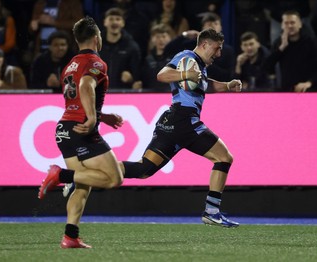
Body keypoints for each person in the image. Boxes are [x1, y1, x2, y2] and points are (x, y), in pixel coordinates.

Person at [122, 28, 242, 227]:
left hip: (172, 123)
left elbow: (205, 84)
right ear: (204, 44)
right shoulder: (186, 57)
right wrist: (186, 74)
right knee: (224, 158)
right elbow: (162, 75)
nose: (219, 54)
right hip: (184, 120)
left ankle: (78, 175)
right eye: (217, 48)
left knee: (144, 170)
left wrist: (227, 85)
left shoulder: (199, 67)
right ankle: (212, 211)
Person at [38, 16, 124, 248]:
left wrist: (103, 116)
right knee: (115, 178)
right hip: (81, 129)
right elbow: (86, 85)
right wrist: (94, 117)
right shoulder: (96, 61)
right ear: (97, 37)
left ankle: (70, 235)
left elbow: (74, 98)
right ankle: (60, 175)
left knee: (83, 185)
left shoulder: (70, 64)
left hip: (65, 129)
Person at [263, 10, 317, 92]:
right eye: (286, 23)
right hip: (288, 89)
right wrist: (281, 48)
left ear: (300, 24)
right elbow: (267, 67)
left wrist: (309, 82)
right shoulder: (278, 43)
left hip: (310, 88)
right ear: (282, 25)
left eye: (292, 22)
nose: (289, 26)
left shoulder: (312, 41)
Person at [165, 12, 234, 85]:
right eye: (209, 24)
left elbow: (229, 75)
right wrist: (184, 35)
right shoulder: (193, 46)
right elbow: (168, 50)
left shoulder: (228, 50)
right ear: (203, 28)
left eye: (216, 24)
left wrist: (206, 64)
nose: (213, 27)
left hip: (219, 91)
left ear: (221, 27)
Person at [99, 7, 142, 90]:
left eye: (118, 19)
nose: (114, 22)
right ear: (105, 22)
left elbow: (137, 78)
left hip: (122, 94)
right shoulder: (96, 46)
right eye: (111, 19)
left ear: (123, 23)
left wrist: (131, 79)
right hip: (99, 94)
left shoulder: (132, 47)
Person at [140, 23, 173, 92]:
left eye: (164, 36)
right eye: (158, 37)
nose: (161, 40)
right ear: (152, 39)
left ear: (170, 38)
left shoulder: (175, 58)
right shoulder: (147, 60)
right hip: (152, 96)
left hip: (171, 95)